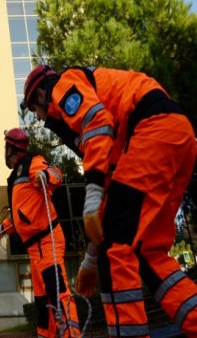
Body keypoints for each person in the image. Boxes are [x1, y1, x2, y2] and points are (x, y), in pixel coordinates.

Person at [21, 64, 197, 336]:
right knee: (148, 252)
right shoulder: (97, 109)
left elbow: (98, 124)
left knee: (115, 249)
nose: (38, 116)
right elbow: (112, 188)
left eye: (35, 108)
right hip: (172, 136)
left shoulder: (63, 86)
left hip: (152, 130)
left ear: (41, 94)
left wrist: (91, 193)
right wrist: (90, 259)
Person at [0, 128, 80, 337]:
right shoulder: (14, 179)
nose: (4, 151)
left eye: (5, 147)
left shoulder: (32, 162)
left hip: (47, 241)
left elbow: (57, 173)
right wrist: (1, 229)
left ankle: (72, 335)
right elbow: (21, 216)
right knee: (42, 303)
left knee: (58, 294)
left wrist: (45, 175)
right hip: (35, 250)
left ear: (11, 149)